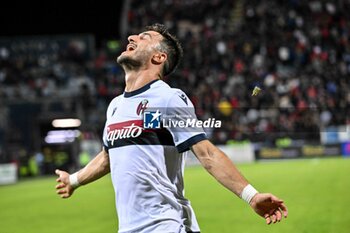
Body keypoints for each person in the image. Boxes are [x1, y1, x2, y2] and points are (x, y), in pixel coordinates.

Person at [55, 23, 288, 233]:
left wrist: (251, 196)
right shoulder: (116, 106)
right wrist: (74, 180)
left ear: (158, 57)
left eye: (144, 37)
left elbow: (206, 153)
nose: (131, 37)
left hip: (167, 225)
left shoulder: (168, 99)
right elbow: (108, 157)